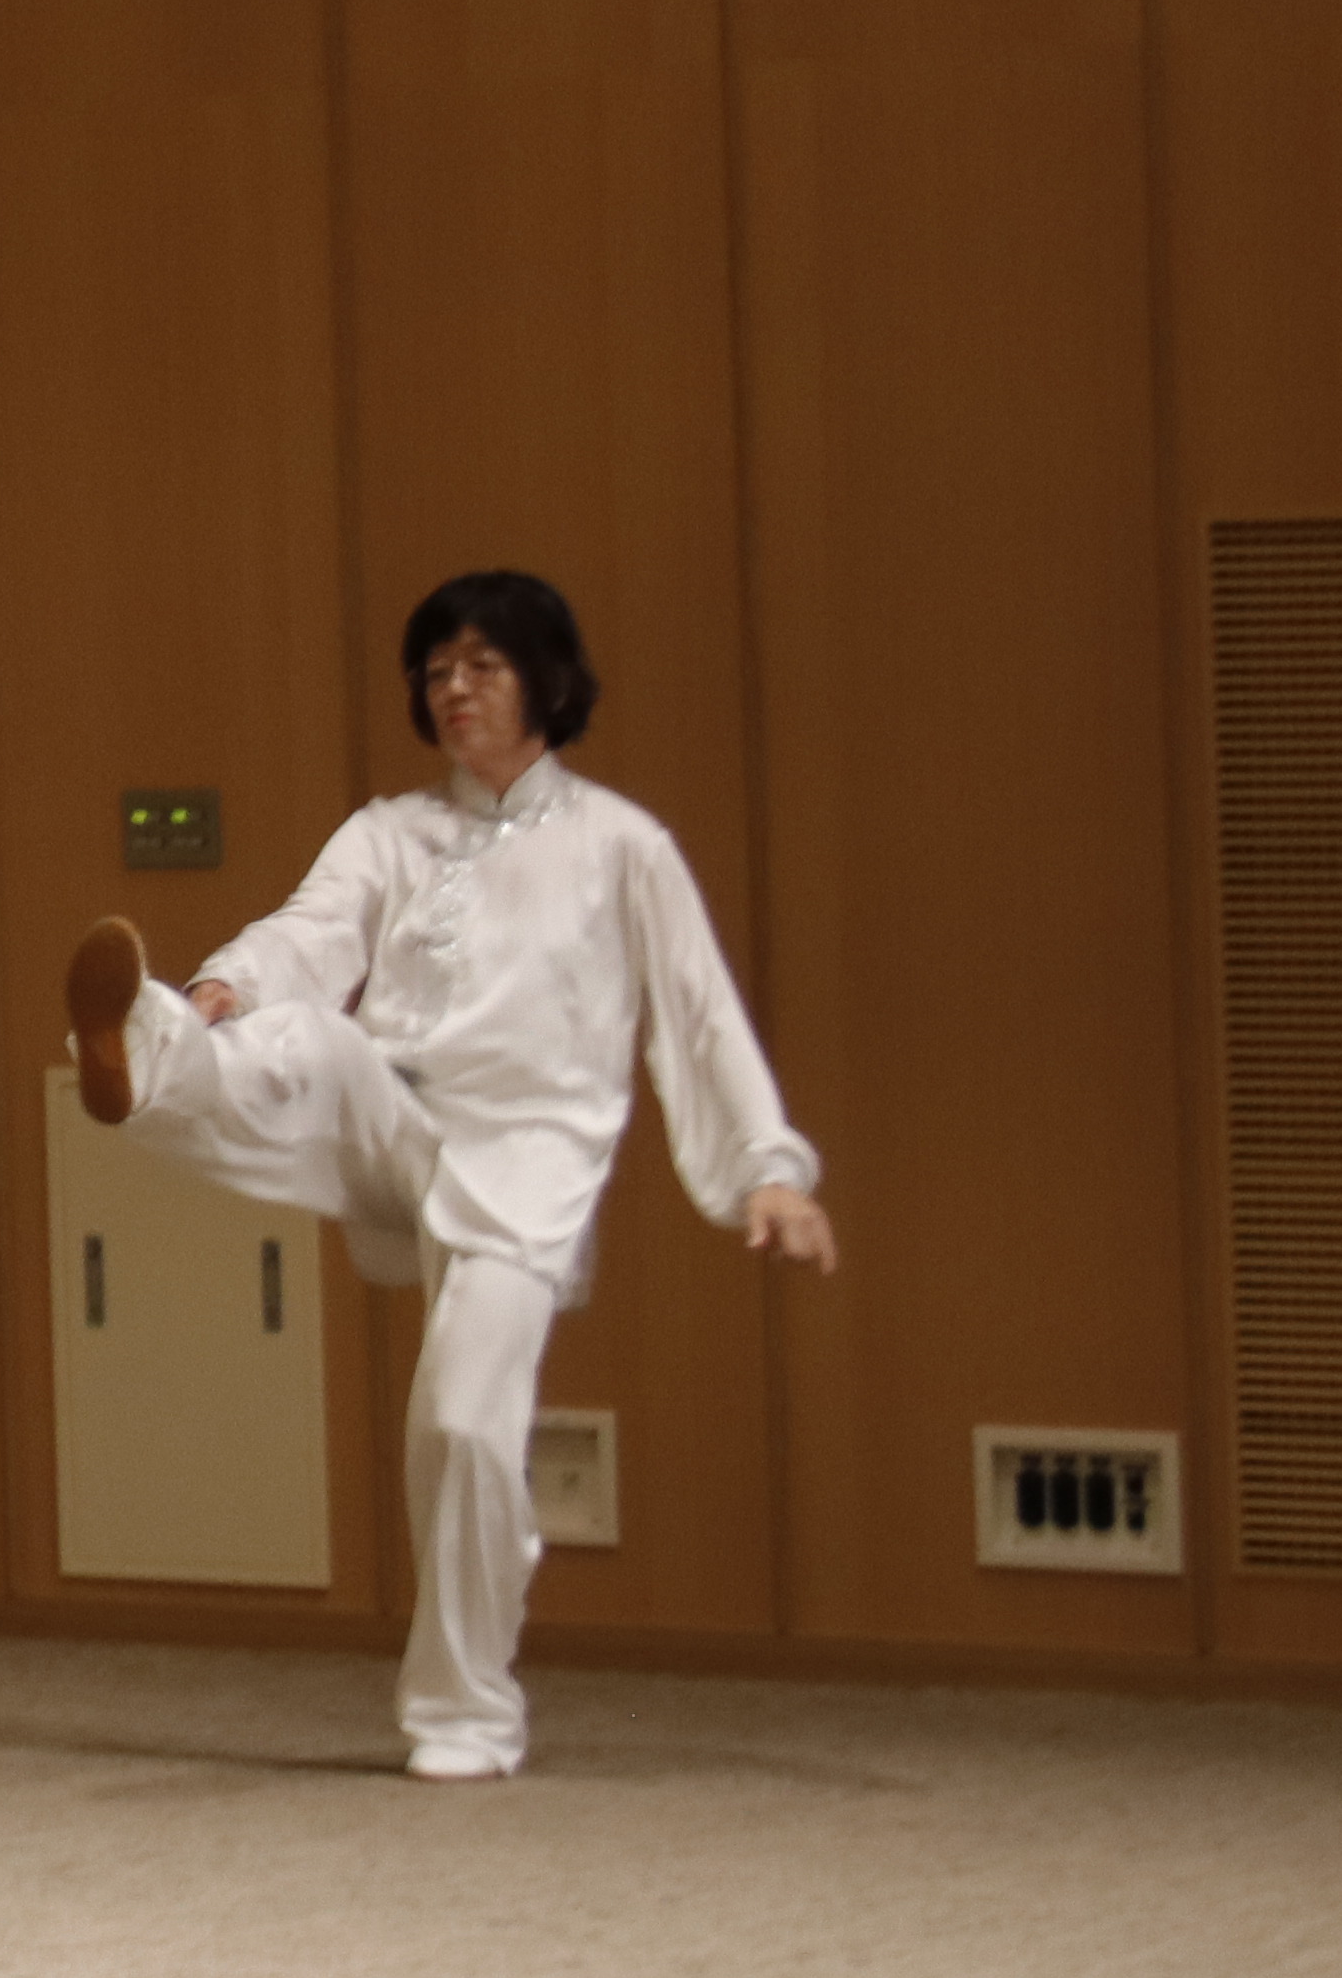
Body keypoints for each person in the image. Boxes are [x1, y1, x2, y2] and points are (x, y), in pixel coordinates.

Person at [69, 569, 834, 1780]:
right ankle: (149, 1044)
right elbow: (312, 929)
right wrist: (225, 986)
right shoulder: (391, 831)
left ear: (545, 679)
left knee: (465, 1425)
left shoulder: (623, 846)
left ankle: (465, 1710)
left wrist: (767, 1172)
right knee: (305, 1039)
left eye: (481, 664)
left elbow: (697, 1015)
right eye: (436, 671)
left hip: (531, 1155)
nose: (454, 689)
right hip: (397, 1107)